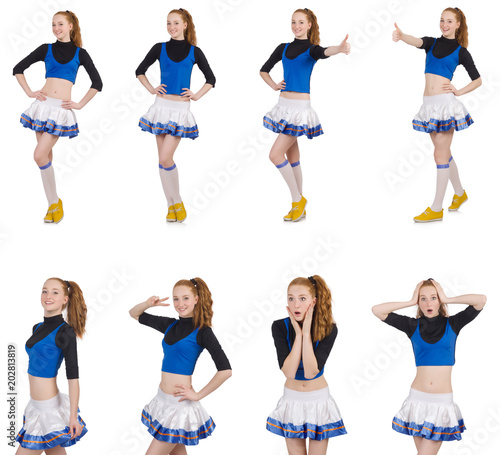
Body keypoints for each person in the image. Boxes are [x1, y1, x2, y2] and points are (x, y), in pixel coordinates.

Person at [372, 279, 486, 454]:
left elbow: (481, 300)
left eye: (433, 297)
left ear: (439, 300)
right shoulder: (412, 326)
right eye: (423, 299)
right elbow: (377, 311)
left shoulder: (453, 324)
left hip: (441, 404)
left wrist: (447, 298)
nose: (428, 303)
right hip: (417, 401)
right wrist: (410, 301)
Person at [392, 8, 482, 222]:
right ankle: (460, 194)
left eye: (450, 21)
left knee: (439, 155)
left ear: (458, 24)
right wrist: (402, 36)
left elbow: (477, 80)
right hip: (428, 106)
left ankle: (436, 208)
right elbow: (416, 41)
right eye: (442, 20)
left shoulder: (461, 51)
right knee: (444, 152)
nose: (444, 24)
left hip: (445, 107)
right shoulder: (432, 43)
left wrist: (458, 91)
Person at [260, 8, 350, 222]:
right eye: (293, 22)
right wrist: (273, 85)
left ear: (309, 25)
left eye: (301, 22)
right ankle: (299, 206)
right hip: (283, 105)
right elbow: (264, 69)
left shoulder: (311, 49)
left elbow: (324, 52)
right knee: (292, 156)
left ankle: (297, 200)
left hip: (299, 109)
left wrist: (338, 48)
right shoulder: (283, 47)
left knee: (274, 155)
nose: (296, 26)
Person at [13, 11, 102, 223]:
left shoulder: (81, 54)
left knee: (38, 155)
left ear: (71, 26)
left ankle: (54, 202)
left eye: (60, 24)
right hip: (42, 108)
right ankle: (53, 204)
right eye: (53, 25)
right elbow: (18, 69)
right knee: (45, 158)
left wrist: (79, 104)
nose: (56, 28)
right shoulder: (46, 49)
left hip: (60, 111)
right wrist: (29, 92)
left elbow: (97, 83)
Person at [129, 278, 231, 454]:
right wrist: (147, 304)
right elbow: (134, 314)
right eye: (176, 299)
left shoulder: (203, 331)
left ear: (196, 299)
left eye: (185, 298)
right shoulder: (169, 325)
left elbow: (225, 370)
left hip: (179, 406)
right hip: (163, 400)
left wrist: (198, 395)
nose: (180, 303)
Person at [136, 9, 215, 223]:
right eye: (169, 23)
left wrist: (196, 95)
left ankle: (178, 200)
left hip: (180, 110)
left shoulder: (194, 51)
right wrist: (152, 89)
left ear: (185, 25)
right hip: (160, 108)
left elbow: (211, 79)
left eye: (176, 23)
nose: (172, 27)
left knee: (165, 158)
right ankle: (170, 206)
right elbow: (139, 70)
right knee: (161, 161)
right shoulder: (159, 48)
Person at [267, 275, 346, 455]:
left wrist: (307, 333)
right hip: (291, 400)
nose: (296, 305)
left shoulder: (329, 329)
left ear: (314, 301)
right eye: (291, 298)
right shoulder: (279, 327)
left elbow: (311, 372)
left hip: (318, 400)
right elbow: (289, 371)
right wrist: (298, 333)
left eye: (302, 299)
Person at [16, 278, 88, 454]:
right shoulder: (37, 327)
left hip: (50, 410)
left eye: (55, 292)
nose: (48, 296)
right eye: (44, 291)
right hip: (35, 406)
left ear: (65, 299)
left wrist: (72, 416)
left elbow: (73, 377)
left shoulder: (66, 332)